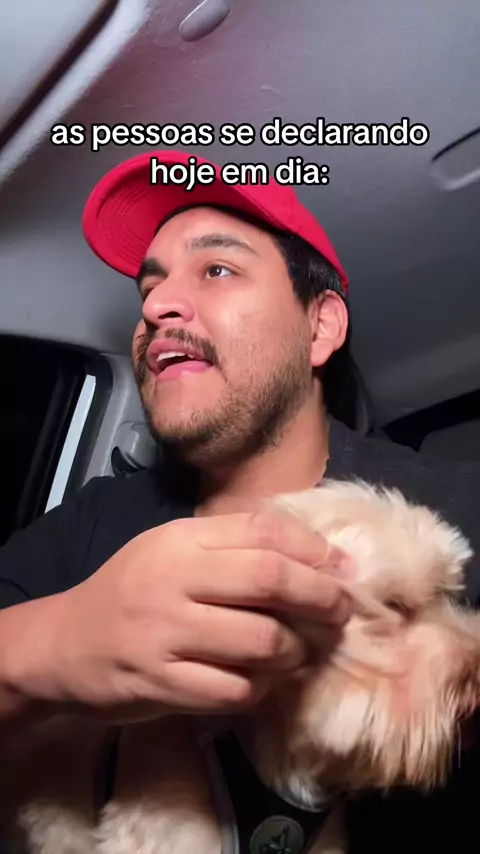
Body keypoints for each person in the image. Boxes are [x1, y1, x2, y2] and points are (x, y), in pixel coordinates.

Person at [0, 148, 479, 852]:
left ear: (320, 328)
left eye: (217, 269)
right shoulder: (91, 525)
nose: (155, 306)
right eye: (149, 287)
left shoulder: (456, 506)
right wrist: (53, 642)